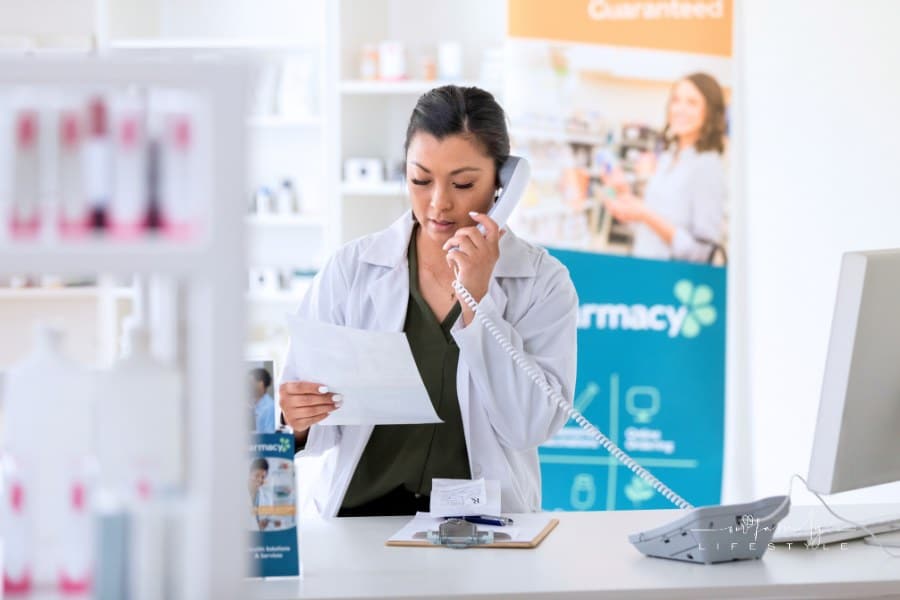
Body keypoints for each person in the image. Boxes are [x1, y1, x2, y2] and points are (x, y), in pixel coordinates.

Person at [280, 85, 578, 518]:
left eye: (463, 183)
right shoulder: (351, 270)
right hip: (361, 521)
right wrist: (299, 422)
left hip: (483, 528)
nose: (439, 203)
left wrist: (479, 303)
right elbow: (308, 417)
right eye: (420, 180)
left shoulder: (542, 283)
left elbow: (528, 425)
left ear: (503, 182)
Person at [603, 72, 727, 263]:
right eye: (676, 100)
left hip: (672, 282)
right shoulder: (668, 158)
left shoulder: (707, 166)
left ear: (710, 112)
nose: (680, 109)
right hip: (646, 269)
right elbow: (652, 228)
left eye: (692, 103)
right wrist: (625, 197)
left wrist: (645, 214)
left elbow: (702, 252)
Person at [249, 367, 275, 433]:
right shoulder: (250, 404)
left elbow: (269, 436)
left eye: (251, 383)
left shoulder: (270, 407)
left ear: (261, 384)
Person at [248, 458, 271, 530]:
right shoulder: (238, 494)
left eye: (263, 477)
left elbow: (267, 519)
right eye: (257, 475)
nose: (260, 479)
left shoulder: (267, 497)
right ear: (249, 474)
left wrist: (265, 523)